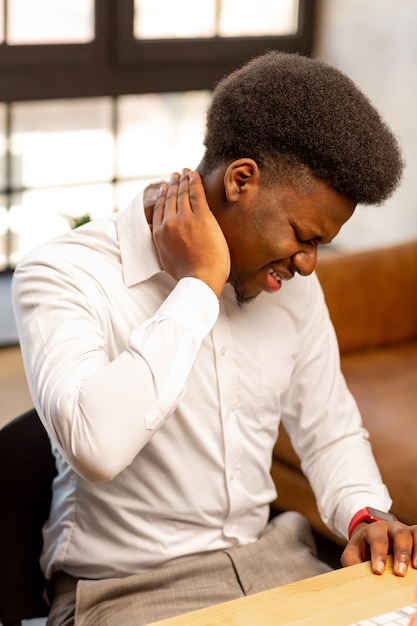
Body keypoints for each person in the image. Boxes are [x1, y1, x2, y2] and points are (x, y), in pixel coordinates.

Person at [12, 51, 417, 626]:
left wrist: (365, 515)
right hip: (128, 592)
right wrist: (200, 284)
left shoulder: (289, 285)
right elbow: (95, 447)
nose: (308, 265)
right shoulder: (61, 273)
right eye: (304, 236)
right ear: (241, 180)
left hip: (278, 566)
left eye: (321, 243)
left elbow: (328, 429)